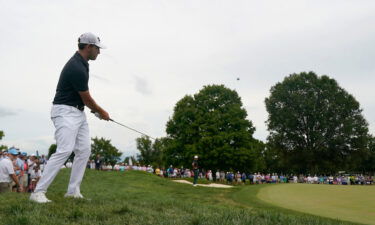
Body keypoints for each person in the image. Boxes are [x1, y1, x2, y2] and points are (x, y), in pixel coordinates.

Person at [30, 32, 110, 203]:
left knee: (84, 150)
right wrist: (101, 111)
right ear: (89, 47)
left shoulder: (83, 63)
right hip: (64, 112)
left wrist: (94, 111)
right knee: (65, 150)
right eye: (97, 48)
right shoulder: (76, 67)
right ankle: (38, 192)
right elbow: (87, 98)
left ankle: (73, 191)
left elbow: (83, 100)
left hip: (77, 112)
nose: (99, 52)